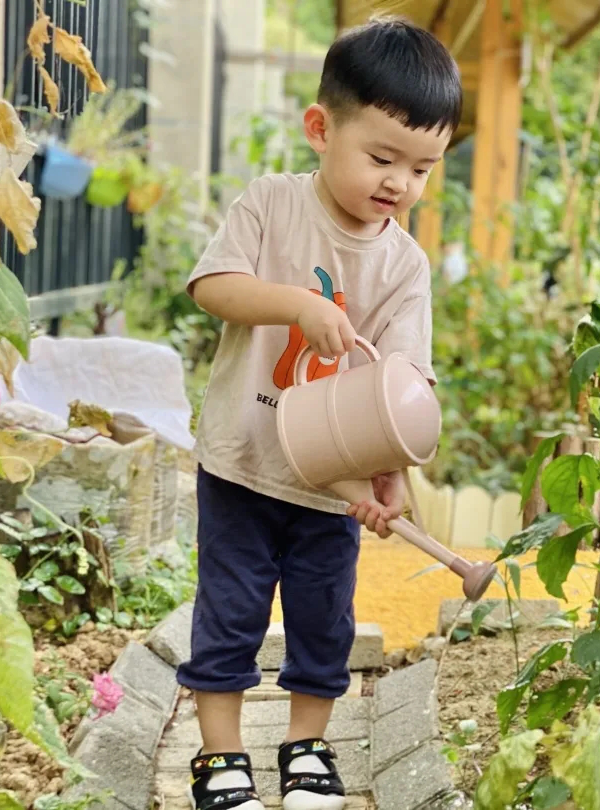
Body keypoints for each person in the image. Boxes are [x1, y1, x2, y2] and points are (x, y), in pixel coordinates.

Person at [178, 18, 461, 810]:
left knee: (323, 623)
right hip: (241, 460)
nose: (399, 182)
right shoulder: (271, 206)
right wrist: (299, 304)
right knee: (229, 615)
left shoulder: (405, 266)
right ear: (319, 128)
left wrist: (391, 471)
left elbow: (401, 385)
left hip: (330, 486)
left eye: (423, 168)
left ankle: (307, 749)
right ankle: (222, 757)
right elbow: (213, 287)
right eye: (381, 157)